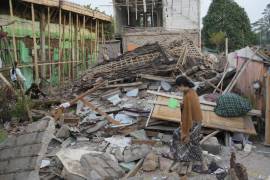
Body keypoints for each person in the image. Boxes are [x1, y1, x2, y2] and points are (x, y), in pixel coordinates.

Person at [170, 75, 204, 163]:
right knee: (179, 135)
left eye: (178, 87)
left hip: (193, 123)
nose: (178, 89)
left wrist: (186, 132)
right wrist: (181, 105)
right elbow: (188, 107)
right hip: (196, 120)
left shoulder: (188, 96)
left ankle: (201, 163)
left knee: (190, 141)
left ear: (182, 85)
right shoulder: (190, 91)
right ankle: (181, 155)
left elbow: (187, 115)